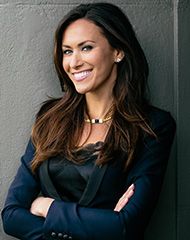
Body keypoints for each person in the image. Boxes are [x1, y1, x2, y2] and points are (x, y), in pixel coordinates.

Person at [1, 2, 176, 240]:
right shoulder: (49, 119)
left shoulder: (152, 126)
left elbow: (126, 227)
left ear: (118, 51)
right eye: (67, 51)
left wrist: (46, 207)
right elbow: (11, 216)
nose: (73, 63)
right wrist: (100, 224)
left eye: (86, 48)